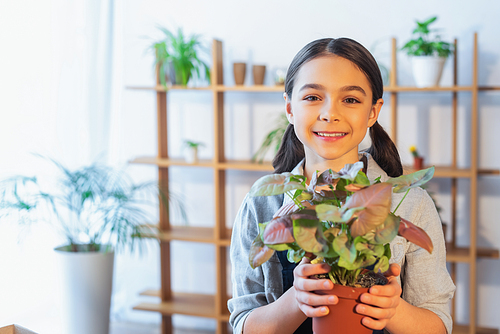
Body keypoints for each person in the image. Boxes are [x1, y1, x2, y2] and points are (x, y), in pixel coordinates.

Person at [228, 37, 455, 334]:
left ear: (373, 111)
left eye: (350, 100)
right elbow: (243, 324)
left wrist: (394, 309)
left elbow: (438, 326)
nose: (330, 113)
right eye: (312, 97)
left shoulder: (410, 202)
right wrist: (297, 300)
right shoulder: (262, 203)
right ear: (290, 108)